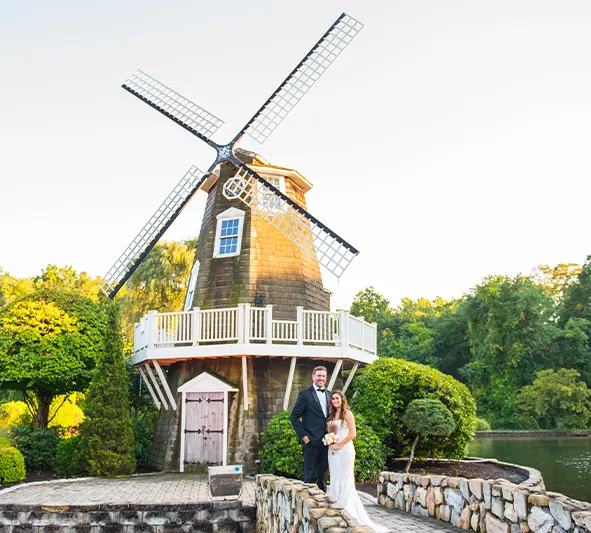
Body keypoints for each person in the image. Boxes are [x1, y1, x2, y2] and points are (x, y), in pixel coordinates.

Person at [327, 390, 389, 533]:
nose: (335, 400)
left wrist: (339, 445)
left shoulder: (348, 414)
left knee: (346, 478)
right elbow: (332, 432)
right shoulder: (331, 415)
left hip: (345, 450)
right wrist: (329, 440)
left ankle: (348, 510)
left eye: (337, 398)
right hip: (333, 451)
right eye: (333, 399)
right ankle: (336, 505)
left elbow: (353, 434)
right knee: (335, 478)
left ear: (342, 400)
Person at [289, 366, 330, 491]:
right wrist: (304, 437)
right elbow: (293, 417)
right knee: (309, 476)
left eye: (323, 376)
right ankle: (307, 505)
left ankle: (322, 505)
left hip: (327, 441)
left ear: (326, 378)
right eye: (318, 375)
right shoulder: (305, 395)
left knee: (323, 476)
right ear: (313, 377)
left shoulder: (330, 394)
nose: (321, 378)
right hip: (311, 442)